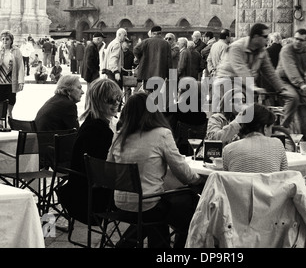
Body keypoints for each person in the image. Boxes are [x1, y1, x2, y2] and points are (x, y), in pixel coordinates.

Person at [108, 92, 203, 248]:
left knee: (158, 213)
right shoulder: (161, 134)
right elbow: (182, 172)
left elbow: (109, 167)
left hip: (120, 203)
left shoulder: (119, 136)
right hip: (147, 204)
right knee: (189, 209)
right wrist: (198, 180)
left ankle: (126, 245)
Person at [56, 78, 123, 225]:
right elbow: (105, 172)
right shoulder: (98, 130)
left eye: (119, 98)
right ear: (98, 101)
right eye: (111, 100)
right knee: (153, 204)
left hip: (86, 194)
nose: (116, 103)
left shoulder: (93, 123)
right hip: (94, 199)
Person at [215, 23, 286, 103]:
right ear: (256, 37)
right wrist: (252, 86)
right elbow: (240, 68)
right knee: (239, 108)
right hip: (227, 82)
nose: (268, 39)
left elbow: (270, 71)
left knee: (254, 110)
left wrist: (281, 88)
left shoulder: (262, 51)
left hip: (244, 85)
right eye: (265, 36)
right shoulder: (236, 47)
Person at [222, 103, 288, 173]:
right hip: (269, 184)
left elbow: (227, 179)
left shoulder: (228, 150)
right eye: (271, 128)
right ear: (265, 128)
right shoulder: (278, 145)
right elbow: (284, 177)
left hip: (241, 184)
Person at [133, 25, 171, 91]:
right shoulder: (166, 44)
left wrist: (141, 60)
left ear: (152, 33)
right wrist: (169, 75)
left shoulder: (146, 42)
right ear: (160, 33)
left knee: (147, 93)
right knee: (157, 93)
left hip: (147, 73)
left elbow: (136, 50)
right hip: (160, 73)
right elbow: (169, 61)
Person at [0, 30, 24, 117]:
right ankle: (2, 118)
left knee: (11, 99)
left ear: (11, 40)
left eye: (7, 39)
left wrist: (21, 81)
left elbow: (21, 66)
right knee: (1, 99)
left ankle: (10, 115)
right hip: (1, 80)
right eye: (2, 39)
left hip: (11, 80)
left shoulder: (16, 51)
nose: (4, 41)